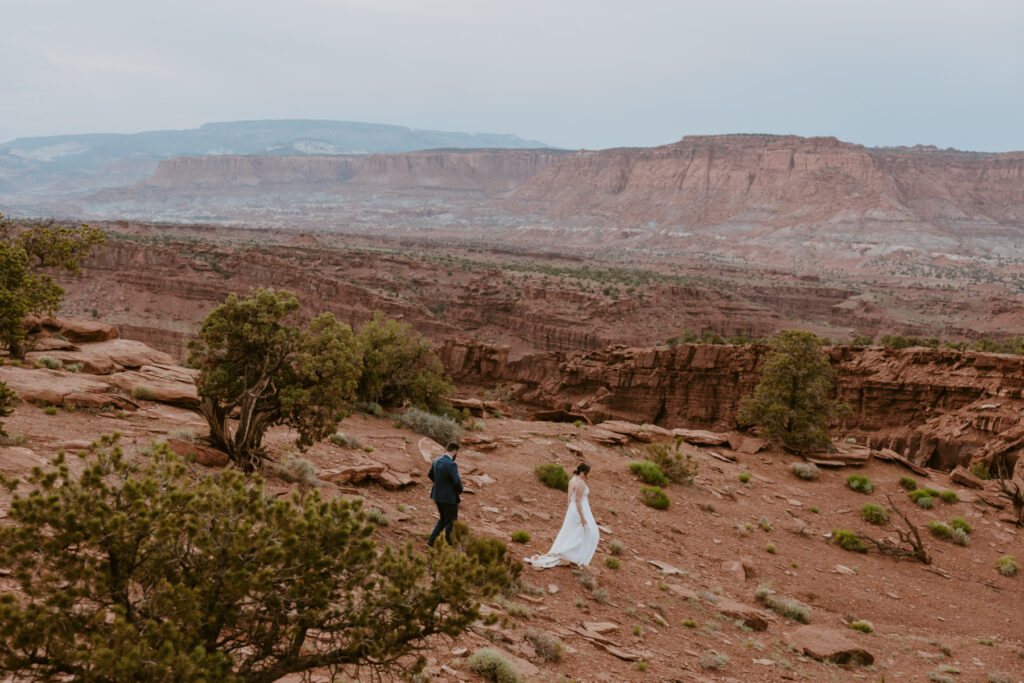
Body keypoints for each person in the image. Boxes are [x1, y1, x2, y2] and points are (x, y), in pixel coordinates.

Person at [525, 463, 599, 568]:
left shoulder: (572, 480)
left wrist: (570, 511)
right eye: (587, 473)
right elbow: (578, 501)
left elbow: (569, 498)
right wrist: (582, 518)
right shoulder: (581, 483)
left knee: (571, 532)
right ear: (583, 472)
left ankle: (568, 554)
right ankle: (574, 556)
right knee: (590, 532)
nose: (588, 475)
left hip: (572, 510)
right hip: (579, 510)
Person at [427, 442, 463, 547]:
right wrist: (459, 490)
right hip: (449, 498)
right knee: (451, 522)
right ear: (455, 451)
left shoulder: (436, 461)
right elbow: (456, 482)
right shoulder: (452, 464)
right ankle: (449, 544)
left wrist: (440, 485)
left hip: (437, 496)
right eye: (457, 452)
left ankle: (431, 541)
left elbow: (430, 475)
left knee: (443, 519)